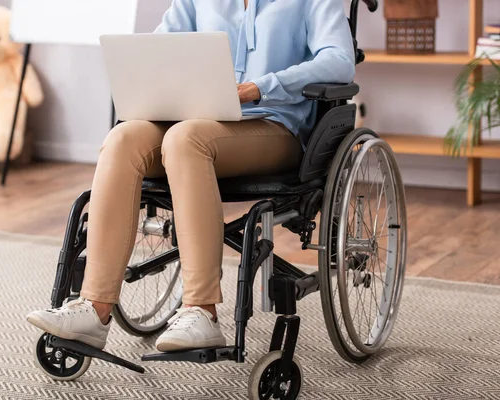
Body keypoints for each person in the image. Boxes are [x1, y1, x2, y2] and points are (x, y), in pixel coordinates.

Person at [27, 0, 355, 353]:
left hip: (272, 124)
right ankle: (95, 308)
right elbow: (156, 50)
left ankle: (201, 310)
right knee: (123, 140)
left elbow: (339, 61)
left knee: (186, 141)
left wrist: (260, 86)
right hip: (190, 118)